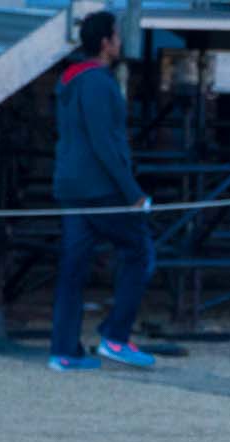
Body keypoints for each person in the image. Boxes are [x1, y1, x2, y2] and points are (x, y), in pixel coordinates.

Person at [49, 11, 157, 373]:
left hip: (72, 186)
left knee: (73, 268)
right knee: (139, 251)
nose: (120, 41)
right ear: (106, 42)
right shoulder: (97, 82)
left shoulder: (70, 79)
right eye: (116, 35)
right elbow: (104, 142)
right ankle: (115, 335)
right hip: (100, 188)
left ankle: (64, 350)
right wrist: (132, 192)